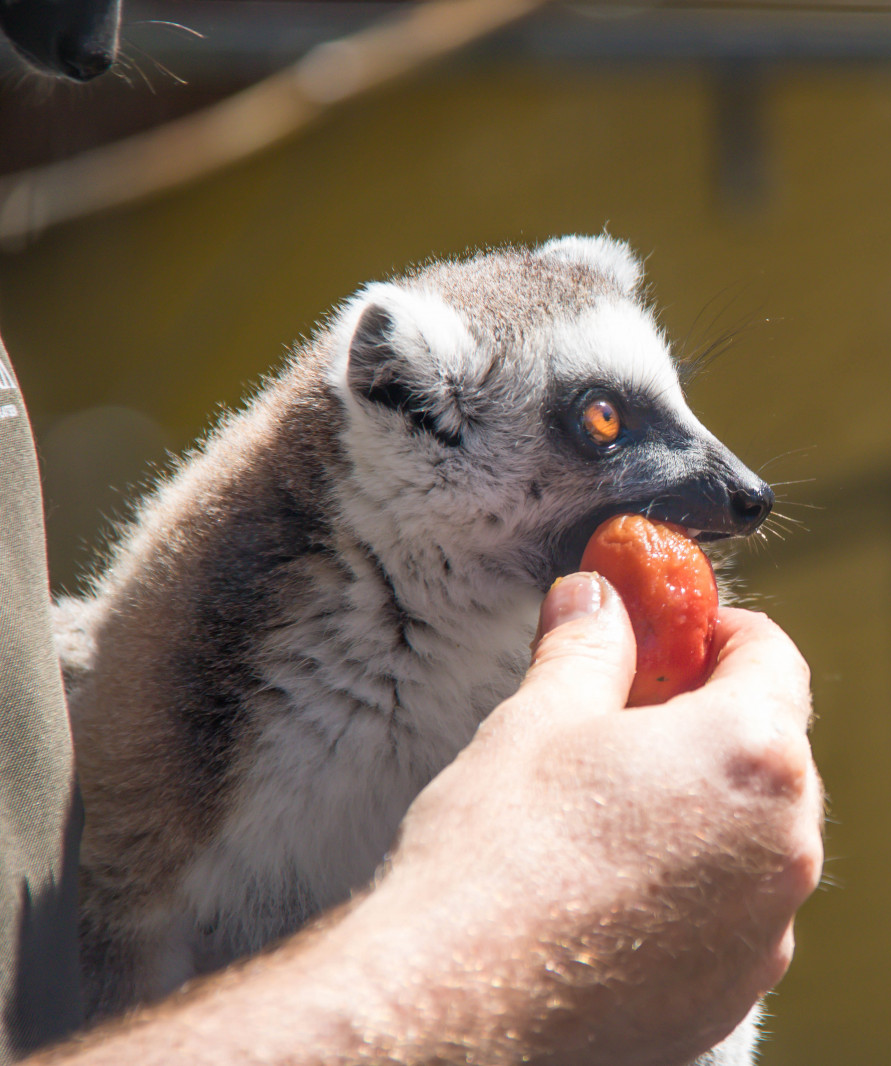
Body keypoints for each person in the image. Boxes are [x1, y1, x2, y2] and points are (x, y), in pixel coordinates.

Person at [0, 339, 823, 1064]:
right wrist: (505, 960)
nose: (742, 493)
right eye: (602, 424)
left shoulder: (555, 650)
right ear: (413, 410)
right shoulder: (165, 710)